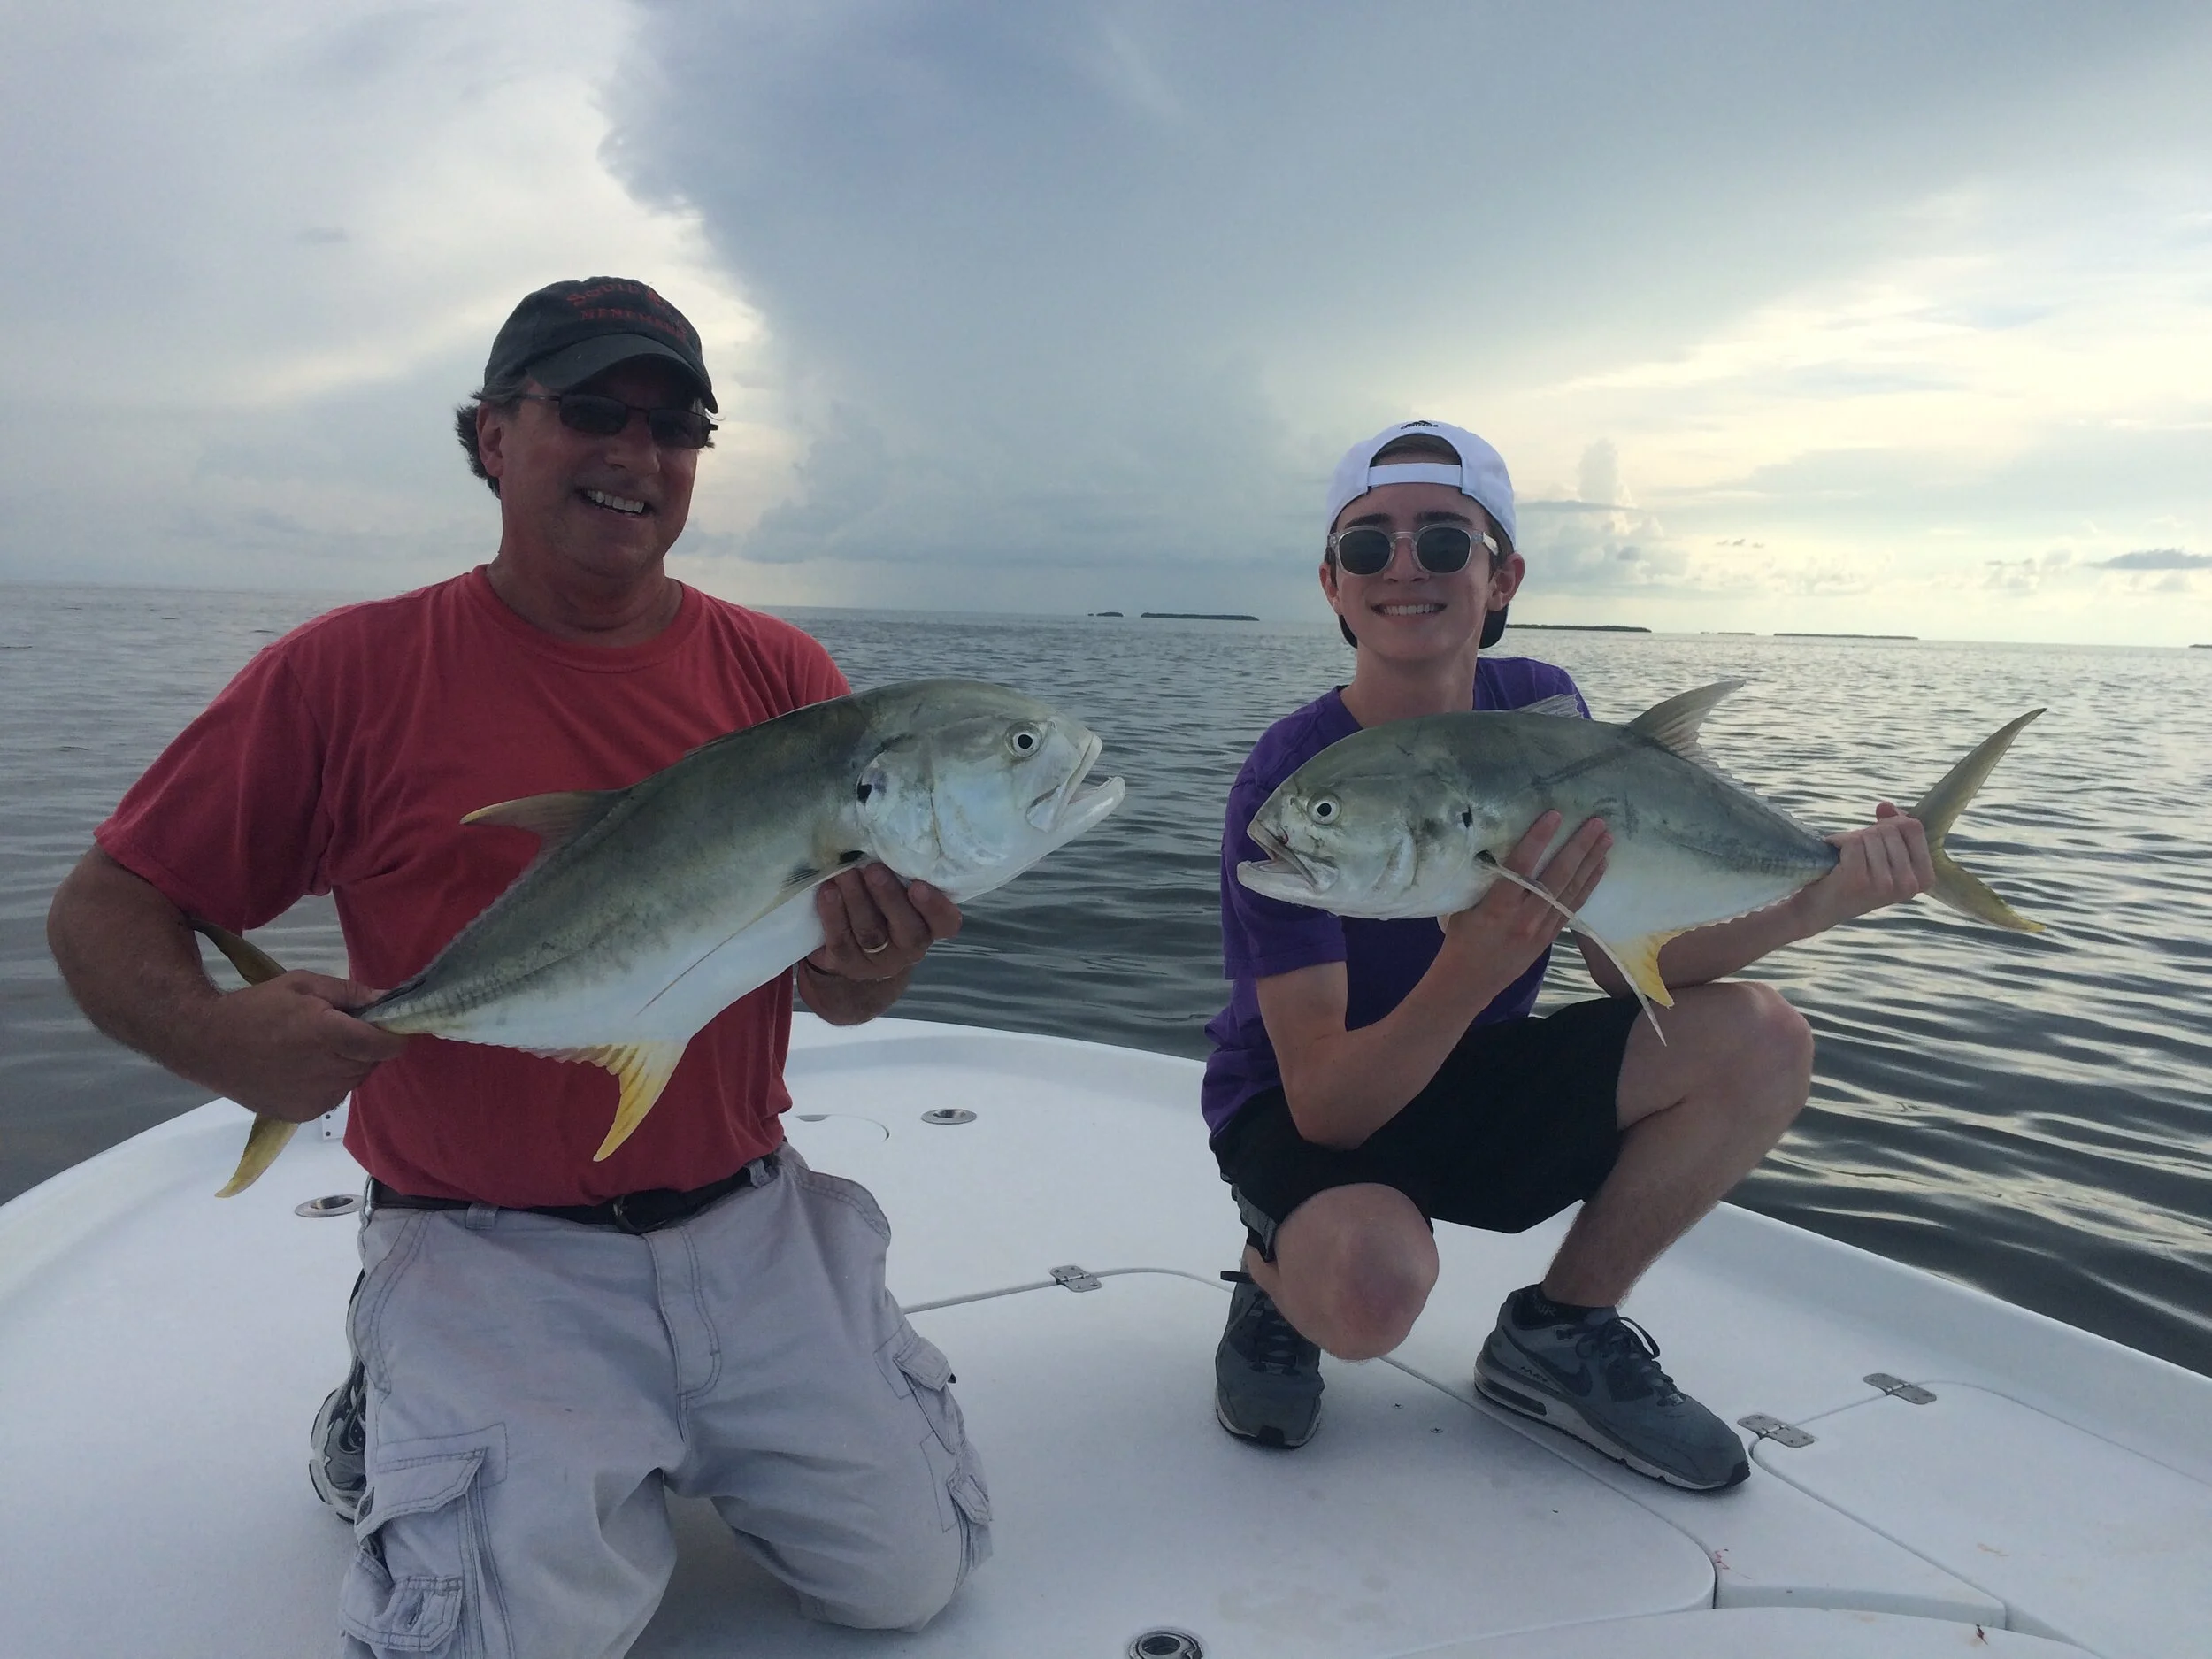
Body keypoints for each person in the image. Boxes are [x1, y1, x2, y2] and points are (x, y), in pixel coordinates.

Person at [46, 278, 990, 1655]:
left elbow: (837, 991)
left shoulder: (782, 675)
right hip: (487, 1247)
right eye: (593, 409)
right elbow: (106, 904)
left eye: (676, 425)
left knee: (912, 1581)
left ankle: (626, 1426)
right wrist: (219, 1036)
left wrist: (874, 958)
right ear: (493, 434)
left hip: (749, 1222)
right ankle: (398, 1388)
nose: (636, 452)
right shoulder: (345, 674)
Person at [1202, 419, 1937, 1490]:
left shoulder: (1542, 714)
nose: (1404, 567)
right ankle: (1276, 1276)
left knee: (1762, 1038)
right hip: (1308, 1097)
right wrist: (1472, 963)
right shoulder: (1289, 780)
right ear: (1332, 583)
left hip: (1471, 1071)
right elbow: (1324, 1108)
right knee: (1367, 1295)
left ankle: (1559, 1332)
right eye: (1368, 545)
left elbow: (1627, 962)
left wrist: (1822, 896)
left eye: (1443, 541)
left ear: (1501, 577)